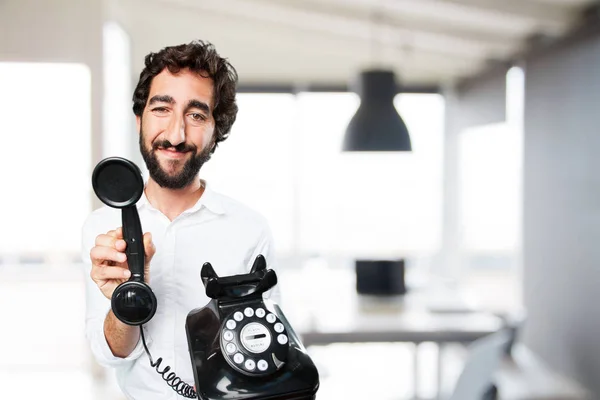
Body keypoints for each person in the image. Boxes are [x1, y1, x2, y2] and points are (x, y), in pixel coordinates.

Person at [81, 40, 276, 399]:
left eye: (196, 115)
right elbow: (110, 354)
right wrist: (125, 299)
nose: (175, 134)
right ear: (139, 119)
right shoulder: (102, 227)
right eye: (161, 109)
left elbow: (265, 349)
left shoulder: (250, 229)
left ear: (216, 130)